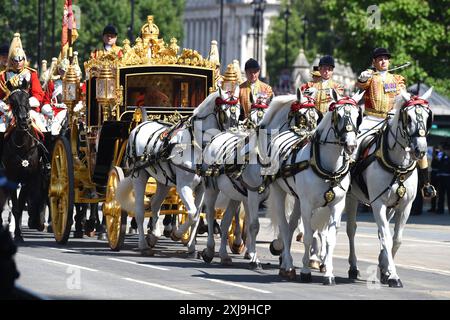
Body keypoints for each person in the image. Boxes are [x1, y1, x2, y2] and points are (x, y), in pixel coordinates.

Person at [356, 47, 436, 198]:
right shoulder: (370, 77)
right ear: (374, 62)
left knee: (418, 143)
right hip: (371, 119)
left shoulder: (397, 79)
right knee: (353, 144)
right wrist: (362, 78)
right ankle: (347, 180)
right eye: (380, 59)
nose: (383, 61)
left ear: (389, 61)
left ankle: (426, 184)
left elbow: (401, 93)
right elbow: (360, 85)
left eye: (385, 58)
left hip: (391, 118)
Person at [0, 33, 47, 132]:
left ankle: (45, 147)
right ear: (11, 60)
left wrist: (25, 103)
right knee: (1, 128)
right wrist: (2, 106)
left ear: (24, 60)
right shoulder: (3, 75)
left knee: (42, 128)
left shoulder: (31, 73)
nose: (18, 63)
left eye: (20, 60)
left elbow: (38, 94)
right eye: (15, 60)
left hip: (28, 109)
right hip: (9, 110)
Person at [42, 58, 70, 136]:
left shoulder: (74, 83)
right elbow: (46, 100)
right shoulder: (52, 83)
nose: (63, 73)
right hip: (55, 110)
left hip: (70, 110)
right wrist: (49, 110)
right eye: (61, 70)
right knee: (53, 129)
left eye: (65, 71)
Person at [436, 147, 450, 214]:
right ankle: (440, 209)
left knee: (449, 195)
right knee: (441, 194)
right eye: (445, 150)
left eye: (447, 150)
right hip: (441, 177)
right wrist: (441, 152)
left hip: (448, 177)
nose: (446, 151)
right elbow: (438, 160)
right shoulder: (441, 155)